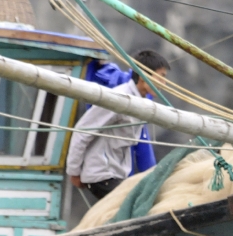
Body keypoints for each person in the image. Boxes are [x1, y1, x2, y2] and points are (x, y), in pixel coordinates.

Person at [66, 50, 170, 200]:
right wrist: (74, 172)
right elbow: (82, 131)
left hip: (118, 175)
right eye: (161, 77)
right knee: (132, 207)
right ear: (143, 75)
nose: (164, 83)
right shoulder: (118, 98)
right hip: (102, 174)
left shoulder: (142, 104)